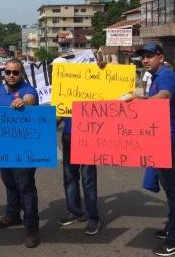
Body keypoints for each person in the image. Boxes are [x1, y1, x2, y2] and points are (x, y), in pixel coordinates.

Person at [134, 43, 175, 256]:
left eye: (150, 56)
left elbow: (164, 98)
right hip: (162, 141)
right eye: (143, 57)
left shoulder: (166, 76)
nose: (145, 60)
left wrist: (140, 101)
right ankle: (173, 228)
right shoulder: (156, 78)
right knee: (170, 190)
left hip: (174, 143)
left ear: (160, 57)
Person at [0, 58, 41, 248]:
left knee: (26, 187)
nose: (11, 75)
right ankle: (12, 215)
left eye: (15, 72)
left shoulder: (28, 90)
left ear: (22, 74)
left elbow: (31, 99)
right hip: (3, 148)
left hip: (24, 150)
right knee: (9, 183)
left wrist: (23, 101)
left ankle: (32, 228)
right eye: (8, 72)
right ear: (4, 73)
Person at [52, 56, 101, 236]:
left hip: (87, 138)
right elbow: (58, 118)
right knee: (69, 177)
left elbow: (105, 90)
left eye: (58, 70)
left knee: (88, 180)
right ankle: (75, 211)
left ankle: (93, 217)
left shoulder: (85, 87)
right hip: (68, 138)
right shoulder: (59, 92)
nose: (55, 74)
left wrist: (101, 67)